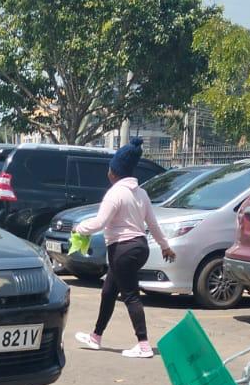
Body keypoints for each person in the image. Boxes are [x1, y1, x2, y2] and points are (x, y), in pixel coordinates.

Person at [73, 139, 175, 359]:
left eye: (110, 168)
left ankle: (144, 344)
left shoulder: (115, 194)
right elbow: (153, 225)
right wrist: (165, 247)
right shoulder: (141, 194)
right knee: (109, 291)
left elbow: (99, 223)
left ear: (115, 172)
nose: (108, 171)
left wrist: (79, 228)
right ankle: (96, 336)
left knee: (130, 295)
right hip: (139, 247)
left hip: (122, 250)